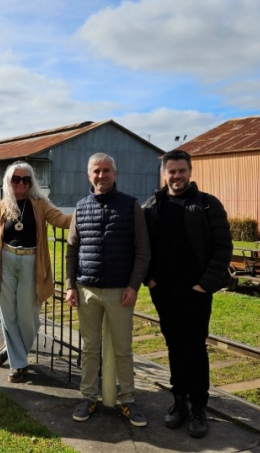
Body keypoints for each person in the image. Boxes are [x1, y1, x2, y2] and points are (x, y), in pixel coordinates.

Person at [142, 149, 233, 438]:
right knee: (174, 346)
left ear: (190, 172)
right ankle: (178, 401)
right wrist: (149, 279)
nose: (177, 176)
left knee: (194, 347)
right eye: (172, 171)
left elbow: (223, 247)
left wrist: (205, 284)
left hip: (196, 292)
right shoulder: (152, 206)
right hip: (164, 291)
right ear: (164, 174)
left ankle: (198, 407)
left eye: (182, 171)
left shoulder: (207, 204)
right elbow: (141, 246)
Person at [64, 153, 151, 427]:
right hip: (87, 290)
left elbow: (142, 251)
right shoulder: (80, 207)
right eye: (96, 171)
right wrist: (70, 286)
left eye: (106, 171)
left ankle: (128, 401)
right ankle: (88, 397)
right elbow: (71, 250)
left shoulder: (130, 206)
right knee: (89, 348)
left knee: (123, 349)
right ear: (89, 176)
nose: (101, 175)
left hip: (119, 292)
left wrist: (133, 286)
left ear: (115, 173)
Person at [0, 161, 72, 383]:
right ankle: (19, 364)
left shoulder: (40, 203)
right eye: (16, 179)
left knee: (28, 316)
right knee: (7, 313)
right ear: (9, 181)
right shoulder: (3, 206)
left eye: (25, 179)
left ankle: (13, 350)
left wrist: (88, 212)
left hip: (31, 262)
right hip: (5, 261)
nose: (21, 183)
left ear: (31, 182)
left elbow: (60, 220)